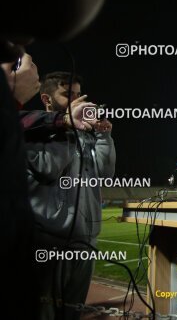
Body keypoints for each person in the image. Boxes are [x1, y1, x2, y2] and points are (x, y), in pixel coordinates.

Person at [24, 71, 115, 319]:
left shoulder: (85, 133)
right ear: (47, 99)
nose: (76, 100)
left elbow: (105, 173)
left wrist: (103, 135)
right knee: (45, 312)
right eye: (67, 95)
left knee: (74, 312)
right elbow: (48, 168)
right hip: (50, 240)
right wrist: (68, 128)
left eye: (78, 94)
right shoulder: (34, 131)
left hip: (86, 239)